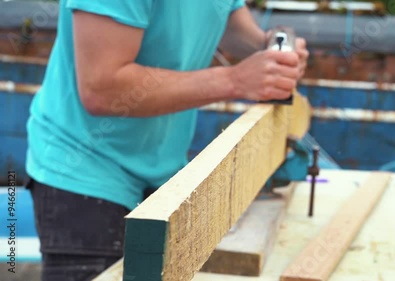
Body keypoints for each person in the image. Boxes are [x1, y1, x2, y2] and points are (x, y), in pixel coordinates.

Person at [26, 1, 308, 280]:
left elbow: (229, 21)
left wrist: (273, 52)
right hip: (85, 174)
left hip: (162, 177)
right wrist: (234, 80)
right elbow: (103, 88)